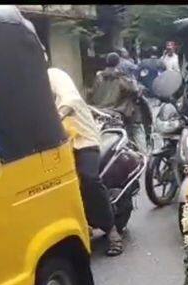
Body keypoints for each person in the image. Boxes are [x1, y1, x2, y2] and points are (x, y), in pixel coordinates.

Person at [47, 67, 124, 256]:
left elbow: (70, 99)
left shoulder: (54, 75)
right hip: (55, 144)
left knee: (88, 178)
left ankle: (111, 230)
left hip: (83, 139)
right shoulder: (25, 86)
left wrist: (57, 117)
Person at [91, 52, 148, 154]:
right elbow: (134, 90)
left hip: (99, 112)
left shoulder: (98, 77)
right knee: (137, 127)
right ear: (118, 62)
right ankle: (144, 155)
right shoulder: (121, 78)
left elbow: (92, 93)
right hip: (118, 113)